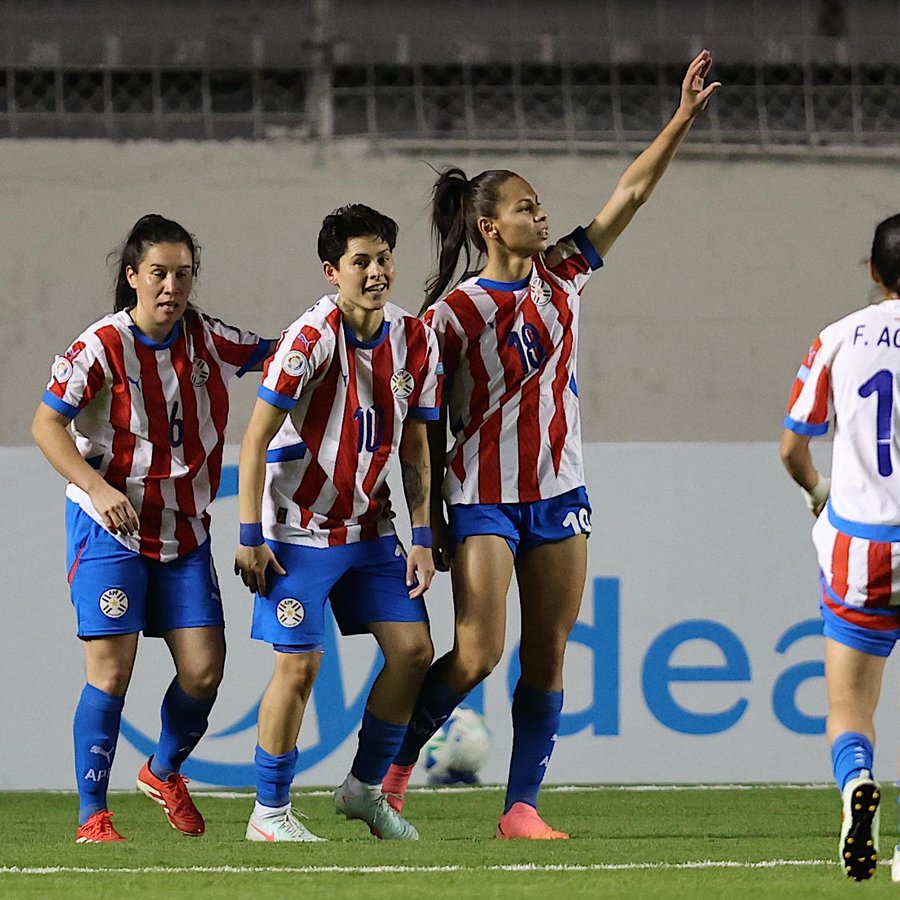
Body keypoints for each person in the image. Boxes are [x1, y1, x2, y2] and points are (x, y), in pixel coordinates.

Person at [381, 49, 721, 839]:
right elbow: (421, 423)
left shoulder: (564, 272)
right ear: (489, 224)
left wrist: (680, 119)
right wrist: (423, 522)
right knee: (476, 654)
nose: (544, 214)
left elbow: (629, 192)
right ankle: (389, 780)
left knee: (549, 654)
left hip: (559, 493)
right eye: (528, 206)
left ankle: (520, 808)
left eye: (543, 205)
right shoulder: (453, 315)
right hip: (484, 496)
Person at [31, 214, 273, 843]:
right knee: (111, 672)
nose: (172, 286)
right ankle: (93, 815)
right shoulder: (100, 347)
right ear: (133, 277)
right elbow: (45, 425)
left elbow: (281, 356)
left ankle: (163, 770)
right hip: (110, 530)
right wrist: (96, 485)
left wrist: (342, 323)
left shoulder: (209, 339)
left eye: (184, 274)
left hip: (184, 534)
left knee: (205, 671)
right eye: (159, 273)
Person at [234, 204, 441, 842]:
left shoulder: (417, 338)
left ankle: (363, 790)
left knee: (413, 652)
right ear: (333, 272)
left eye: (383, 259)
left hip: (371, 531)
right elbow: (254, 439)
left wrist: (424, 538)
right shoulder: (309, 340)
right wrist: (248, 535)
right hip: (295, 532)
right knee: (299, 668)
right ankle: (269, 814)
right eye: (361, 262)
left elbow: (414, 447)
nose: (377, 273)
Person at [780, 213, 900, 882]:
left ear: (873, 271)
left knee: (849, 706)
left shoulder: (838, 338)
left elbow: (793, 448)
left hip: (861, 547)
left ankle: (857, 785)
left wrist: (819, 492)